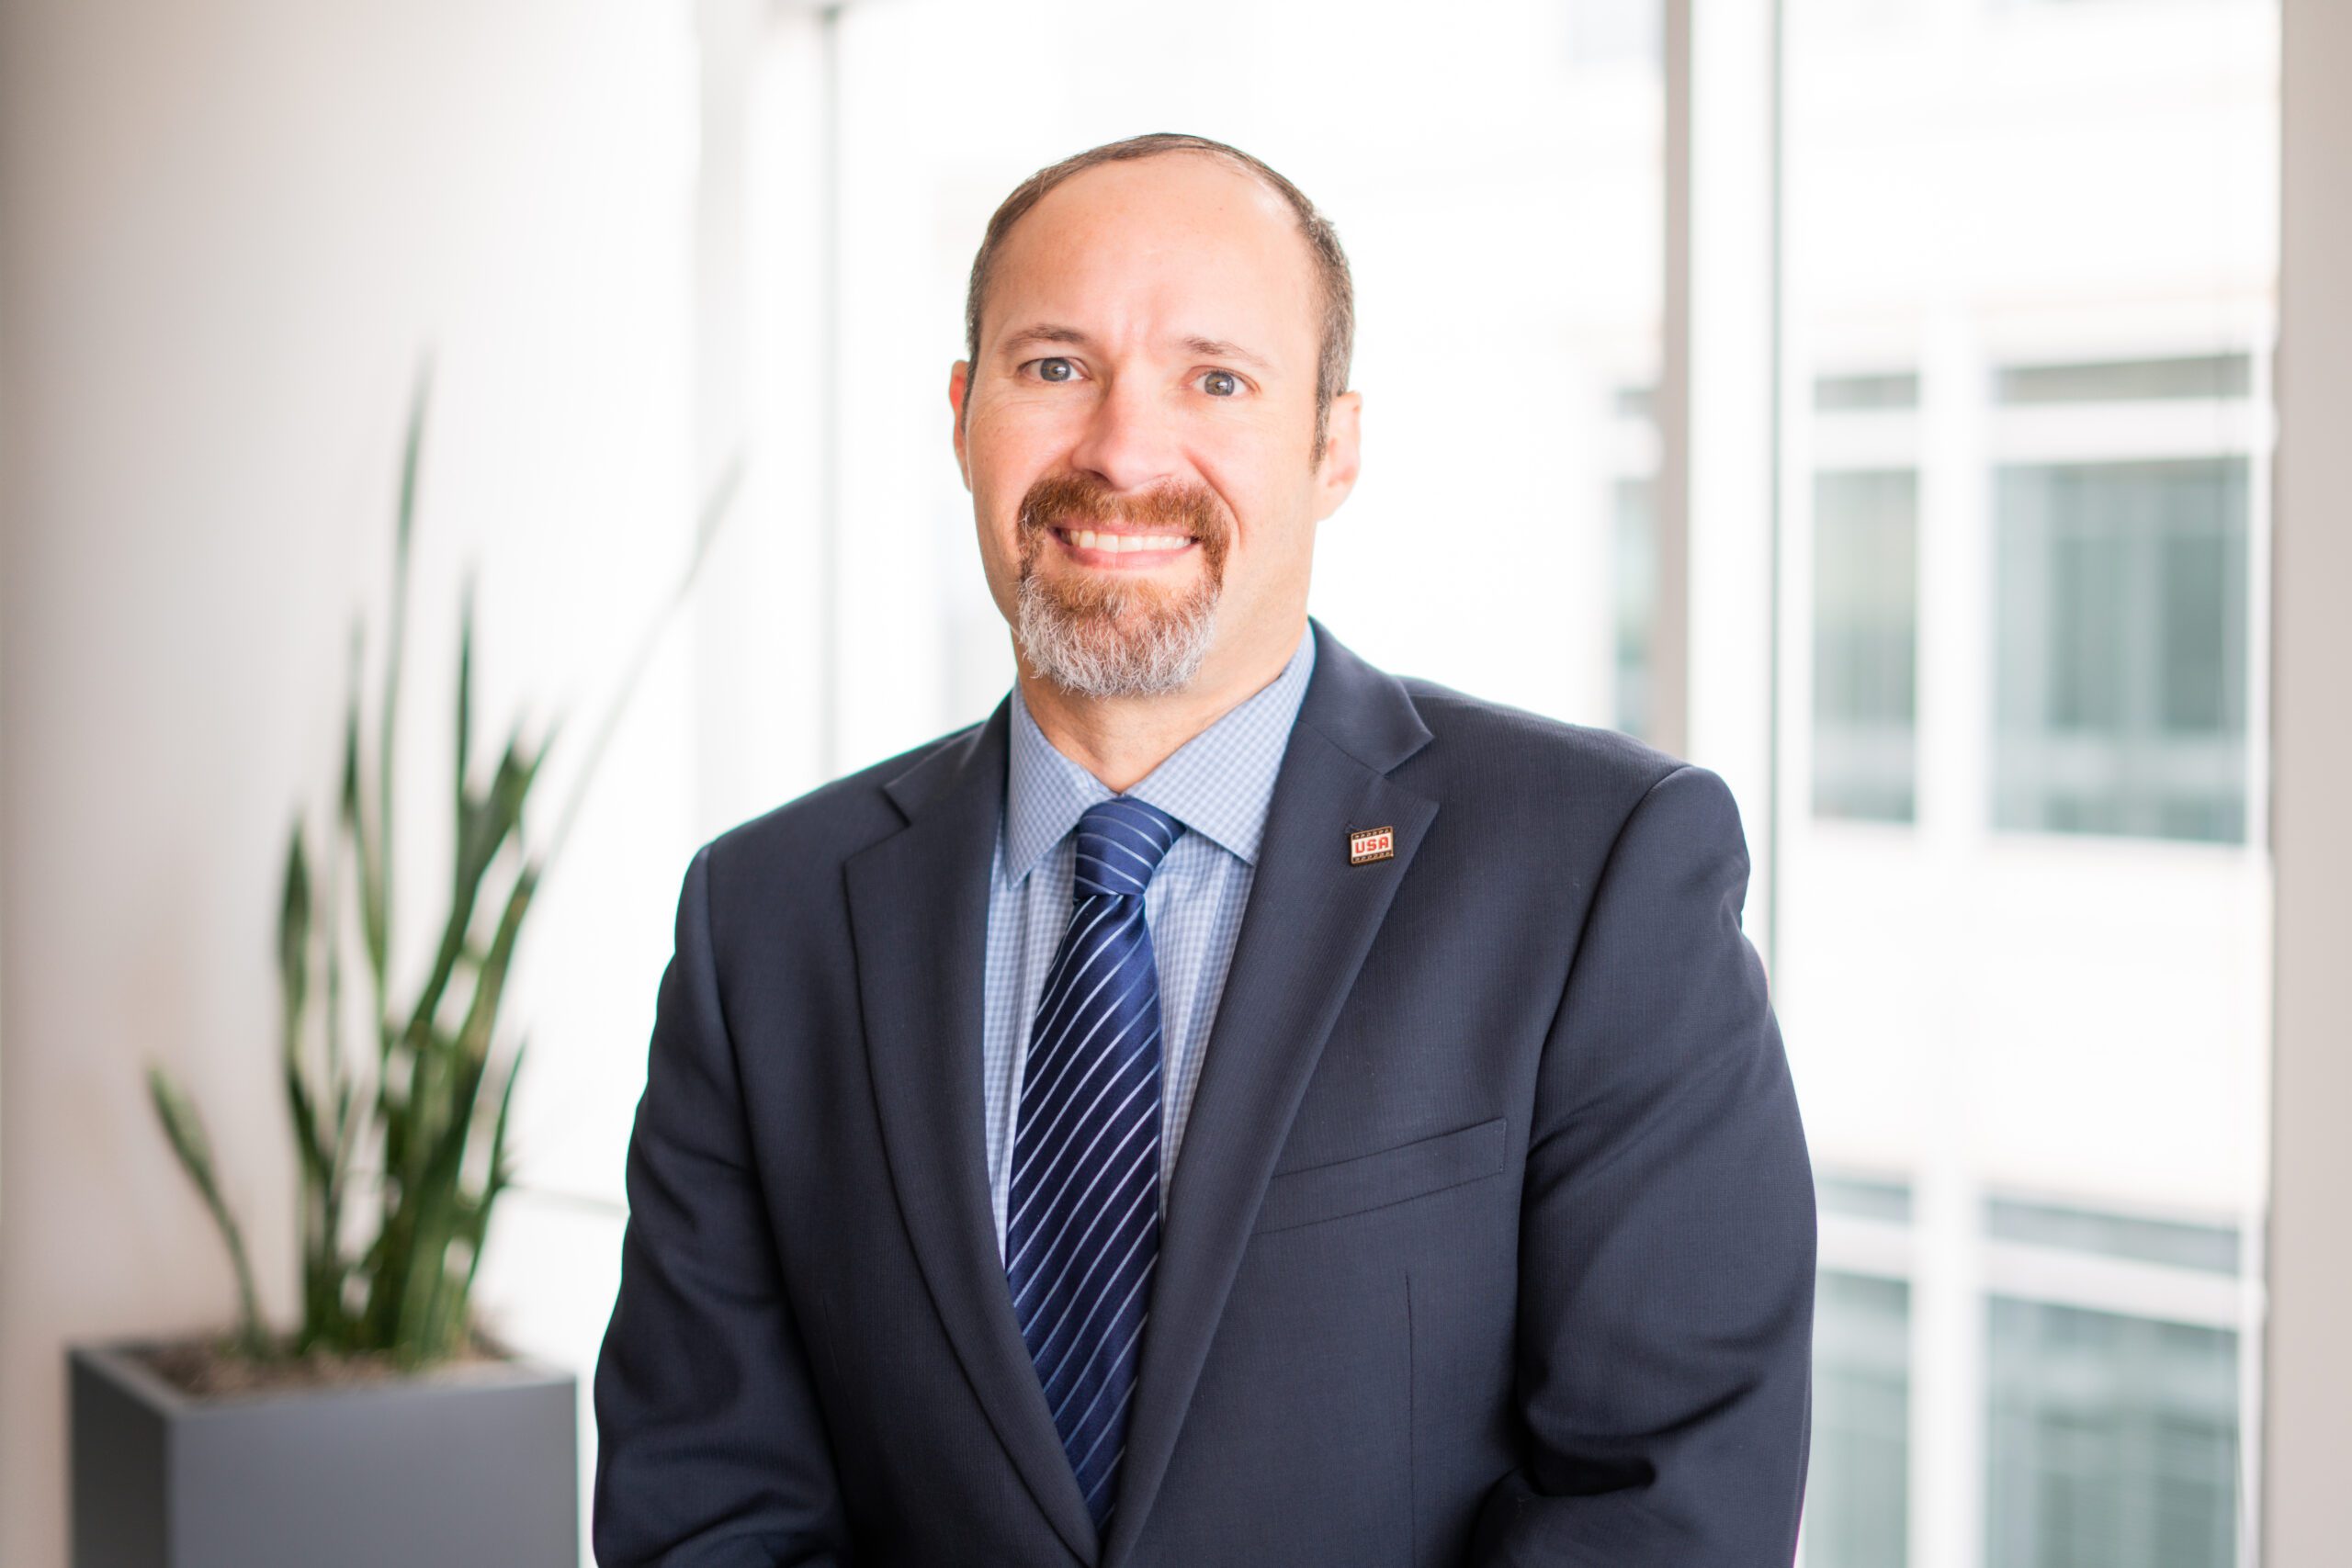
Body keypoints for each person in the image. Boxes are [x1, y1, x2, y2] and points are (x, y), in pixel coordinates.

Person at [592, 131, 1815, 1568]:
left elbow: (1666, 1503)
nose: (1120, 449)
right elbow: (707, 1512)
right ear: (962, 413)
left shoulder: (1599, 870)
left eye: (1215, 379)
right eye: (1055, 367)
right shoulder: (767, 918)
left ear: (1332, 445)